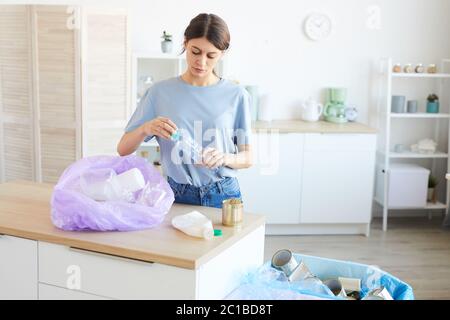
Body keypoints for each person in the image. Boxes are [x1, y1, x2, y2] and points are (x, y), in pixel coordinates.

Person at [117, 13, 252, 208]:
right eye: (195, 51)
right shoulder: (159, 93)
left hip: (223, 194)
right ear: (185, 43)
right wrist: (145, 128)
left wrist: (224, 158)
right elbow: (123, 149)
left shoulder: (237, 95)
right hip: (175, 195)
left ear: (222, 53)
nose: (202, 62)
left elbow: (247, 157)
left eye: (211, 55)